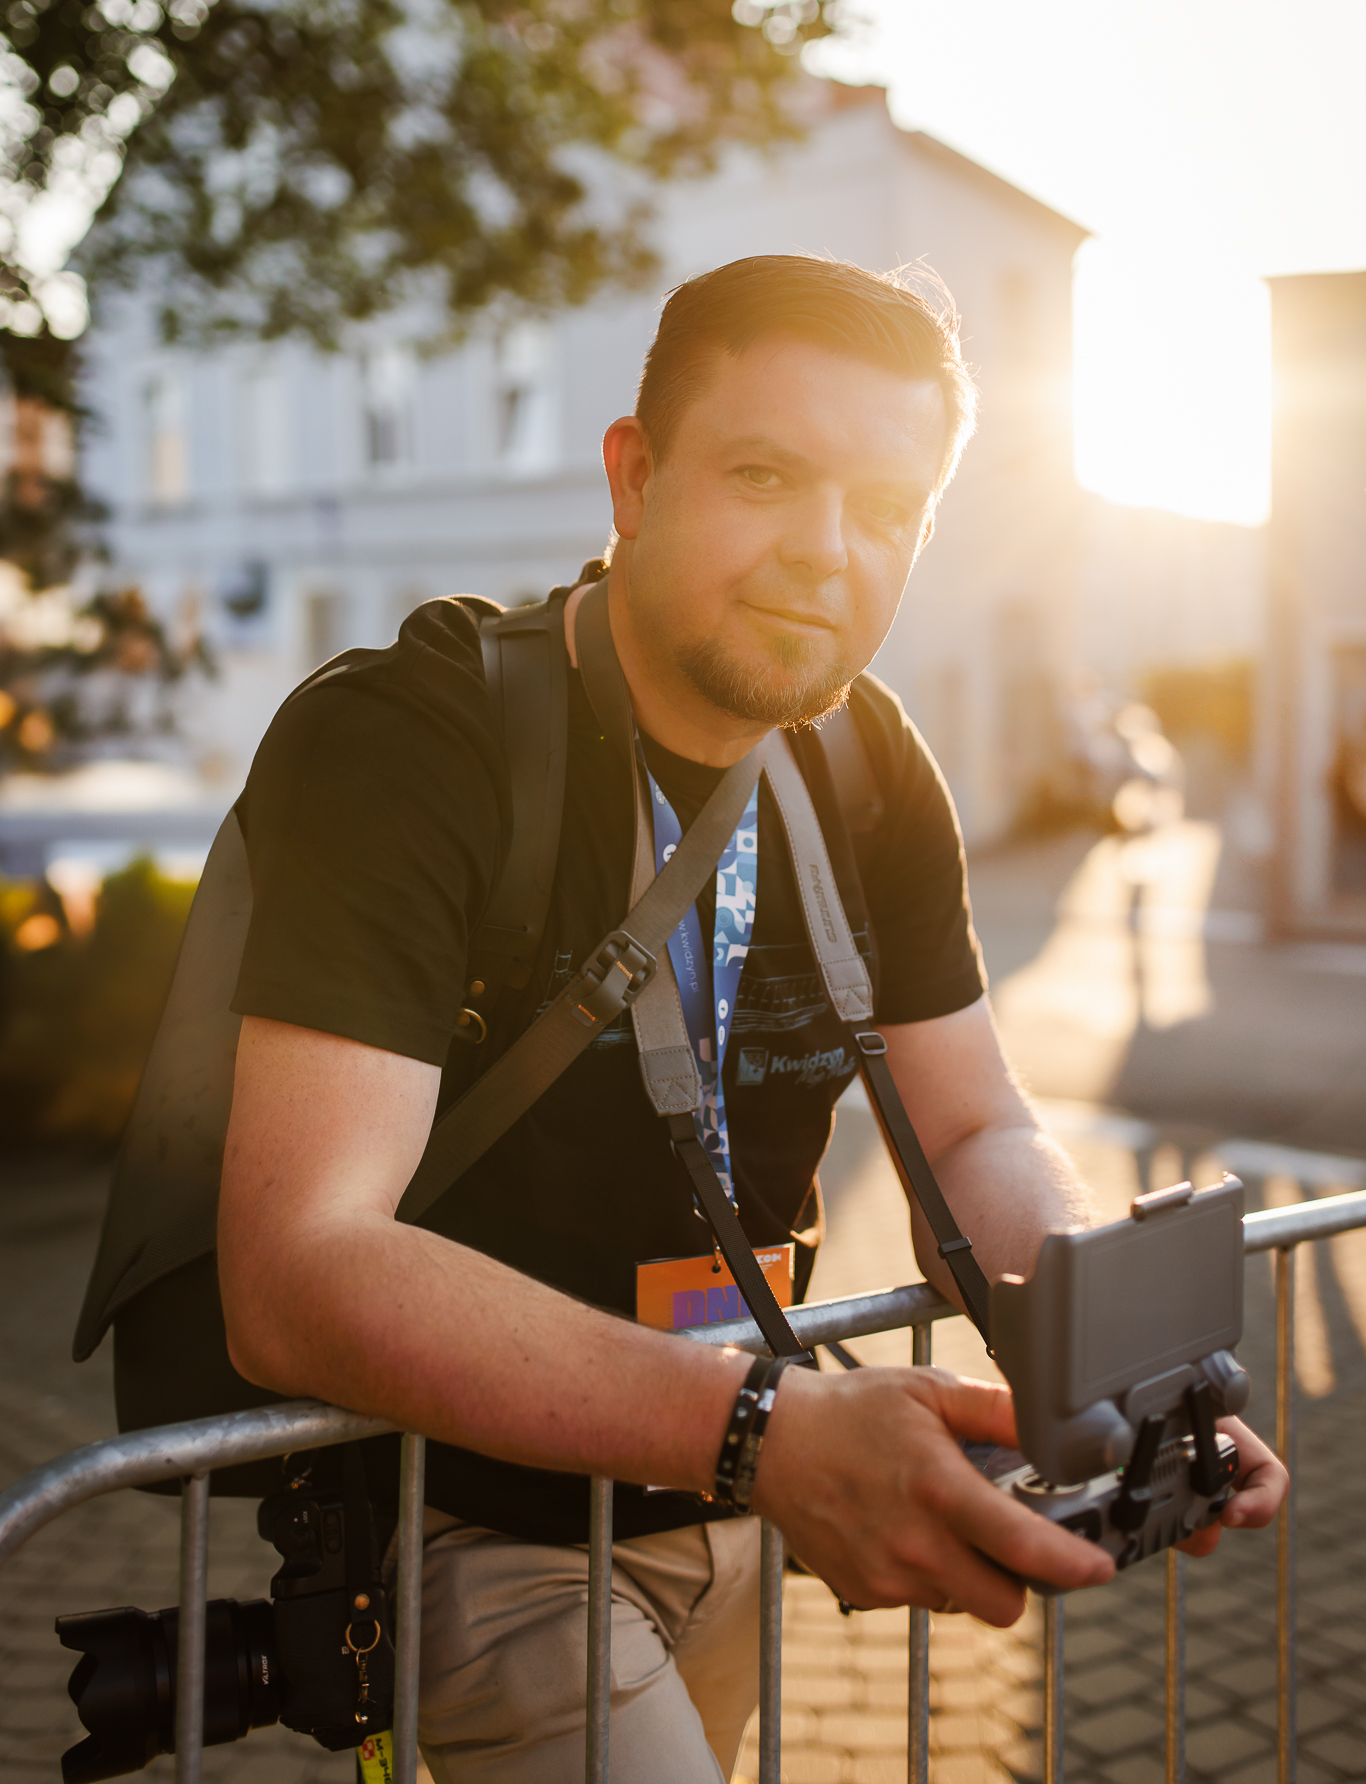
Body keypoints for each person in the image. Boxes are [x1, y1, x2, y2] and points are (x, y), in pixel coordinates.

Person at [216, 256, 1285, 1783]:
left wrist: (1103, 1369)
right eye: (768, 474)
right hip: (486, 1525)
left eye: (889, 508)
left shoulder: (866, 759)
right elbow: (295, 1266)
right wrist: (758, 1427)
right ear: (635, 477)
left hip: (736, 1510)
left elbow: (972, 1119)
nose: (827, 553)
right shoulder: (414, 737)